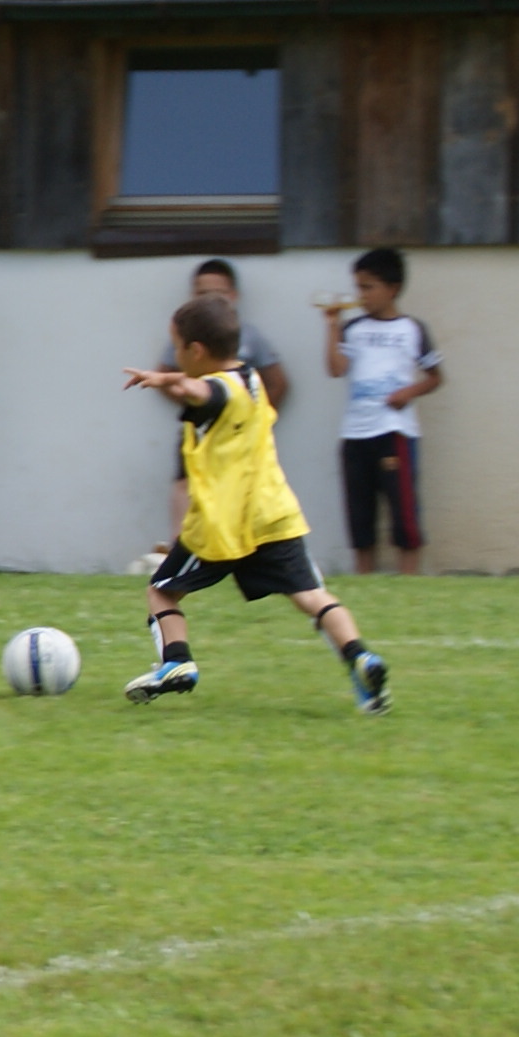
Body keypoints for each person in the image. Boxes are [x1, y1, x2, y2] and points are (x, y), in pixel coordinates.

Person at [123, 292, 391, 715]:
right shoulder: (250, 378)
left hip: (222, 524)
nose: (175, 358)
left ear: (196, 351)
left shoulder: (215, 388)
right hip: (272, 517)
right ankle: (360, 656)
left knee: (162, 592)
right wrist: (176, 379)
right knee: (311, 596)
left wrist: (167, 380)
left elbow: (203, 390)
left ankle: (177, 662)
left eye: (177, 348)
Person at [149, 259, 287, 549]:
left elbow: (274, 383)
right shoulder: (187, 338)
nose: (210, 298)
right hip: (202, 431)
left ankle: (224, 543)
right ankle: (180, 541)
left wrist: (252, 415)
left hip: (239, 441)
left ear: (233, 296)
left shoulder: (247, 342)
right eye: (202, 293)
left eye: (219, 292)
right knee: (186, 481)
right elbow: (181, 380)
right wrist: (191, 399)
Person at [325, 246, 443, 577]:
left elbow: (435, 377)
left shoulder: (412, 329)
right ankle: (364, 576)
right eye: (358, 287)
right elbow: (336, 369)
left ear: (392, 288)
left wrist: (408, 392)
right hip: (355, 433)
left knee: (403, 511)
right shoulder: (353, 329)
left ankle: (409, 578)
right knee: (360, 512)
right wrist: (332, 326)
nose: (361, 295)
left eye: (368, 287)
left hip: (394, 432)